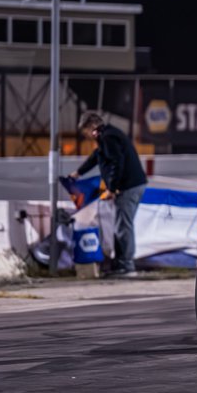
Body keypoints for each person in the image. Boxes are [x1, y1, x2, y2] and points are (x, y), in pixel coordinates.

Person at [69, 110, 147, 277]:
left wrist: (111, 188)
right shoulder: (107, 135)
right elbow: (97, 157)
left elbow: (116, 163)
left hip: (129, 187)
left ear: (91, 126)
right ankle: (121, 264)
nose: (87, 136)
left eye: (85, 131)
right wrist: (78, 173)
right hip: (129, 185)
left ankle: (126, 266)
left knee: (123, 226)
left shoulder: (108, 137)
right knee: (121, 225)